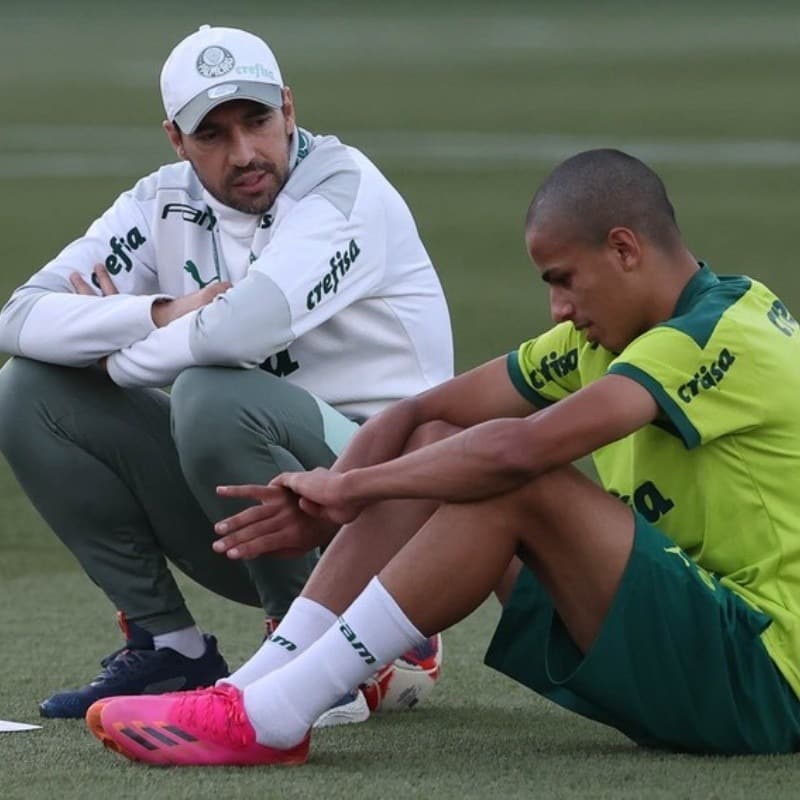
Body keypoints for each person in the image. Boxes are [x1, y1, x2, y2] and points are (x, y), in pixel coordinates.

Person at [86, 148, 800, 765]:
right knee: (439, 445)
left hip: (766, 679)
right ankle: (253, 689)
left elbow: (520, 449)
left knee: (514, 479)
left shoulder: (717, 333)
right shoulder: (606, 341)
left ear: (624, 249)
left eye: (562, 278)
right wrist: (335, 488)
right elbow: (420, 410)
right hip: (692, 657)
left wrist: (355, 490)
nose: (556, 308)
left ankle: (276, 717)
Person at [0, 24, 452, 720]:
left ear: (290, 109)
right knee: (28, 389)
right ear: (177, 141)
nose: (244, 152)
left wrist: (115, 355)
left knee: (211, 394)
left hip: (398, 511)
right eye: (211, 134)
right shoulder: (161, 202)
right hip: (264, 509)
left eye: (257, 121)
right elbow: (21, 316)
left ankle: (304, 653)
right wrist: (161, 313)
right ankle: (170, 649)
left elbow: (243, 330)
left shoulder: (343, 189)